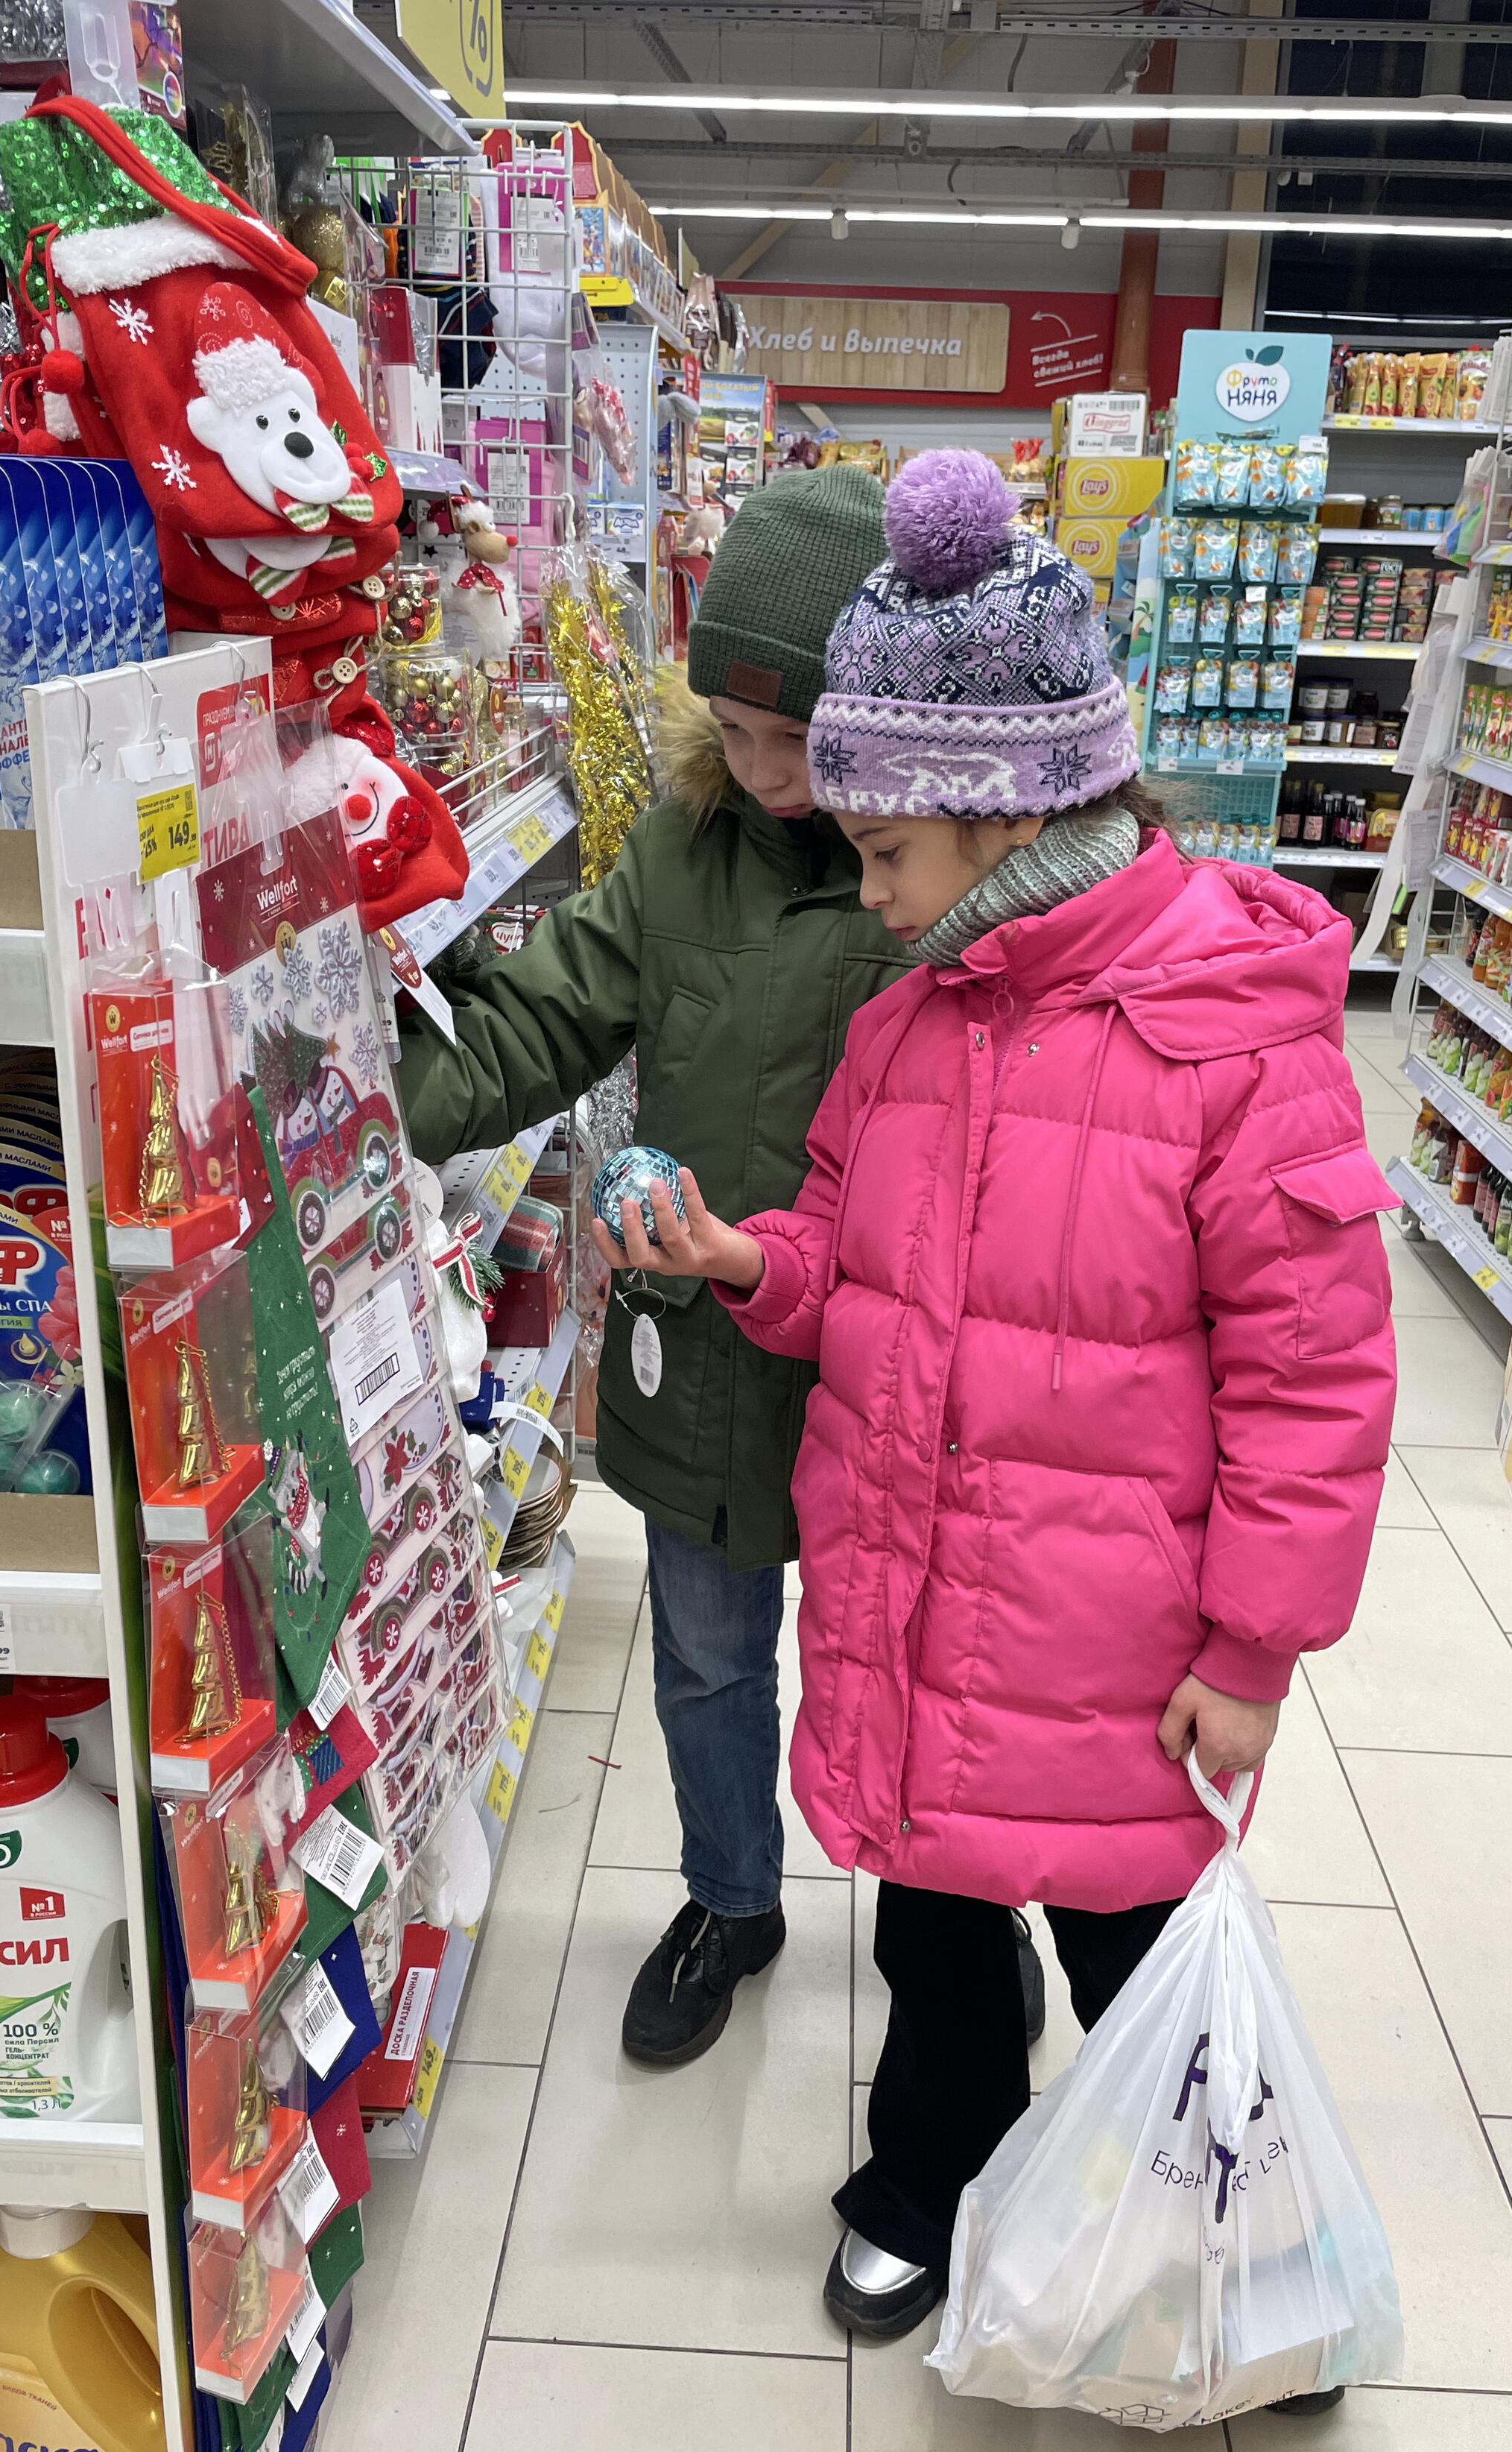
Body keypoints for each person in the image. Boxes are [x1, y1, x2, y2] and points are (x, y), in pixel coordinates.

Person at [592, 449, 1398, 2373]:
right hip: (919, 1595)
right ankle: (926, 2170)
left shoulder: (1229, 1035)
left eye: (884, 853)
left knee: (1136, 1947)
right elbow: (850, 1255)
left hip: (1115, 1646)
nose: (863, 892)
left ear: (1008, 809)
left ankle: (1248, 2248)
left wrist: (1252, 1651)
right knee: (934, 1922)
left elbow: (1315, 1375)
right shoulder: (910, 1017)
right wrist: (745, 1260)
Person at [398, 466, 1048, 2066]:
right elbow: (546, 1016)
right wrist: (362, 1095)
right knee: (704, 1653)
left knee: (931, 1658)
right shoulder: (683, 847)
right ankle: (730, 1897)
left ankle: (958, 1930)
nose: (761, 773)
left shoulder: (959, 860)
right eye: (736, 730)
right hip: (703, 1340)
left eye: (798, 739)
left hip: (902, 1355)